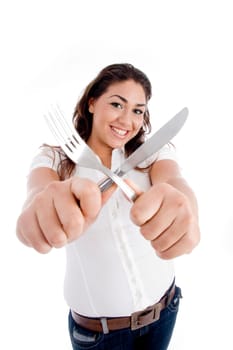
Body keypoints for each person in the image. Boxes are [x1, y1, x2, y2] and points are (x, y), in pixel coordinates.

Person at [16, 63, 200, 350]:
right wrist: (39, 210)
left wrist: (185, 206)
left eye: (138, 110)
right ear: (92, 103)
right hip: (99, 334)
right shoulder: (55, 158)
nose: (127, 120)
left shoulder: (152, 154)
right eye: (117, 104)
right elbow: (38, 192)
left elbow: (175, 181)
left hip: (165, 308)